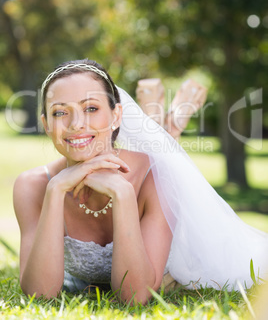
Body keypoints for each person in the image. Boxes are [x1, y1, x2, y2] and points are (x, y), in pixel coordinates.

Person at [13, 59, 268, 304]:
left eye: (91, 108)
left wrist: (123, 193)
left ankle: (169, 125)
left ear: (116, 116)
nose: (76, 124)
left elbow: (134, 297)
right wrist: (56, 189)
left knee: (165, 152)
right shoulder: (33, 186)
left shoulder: (156, 175)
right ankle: (160, 122)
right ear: (46, 124)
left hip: (179, 242)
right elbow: (40, 293)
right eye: (60, 112)